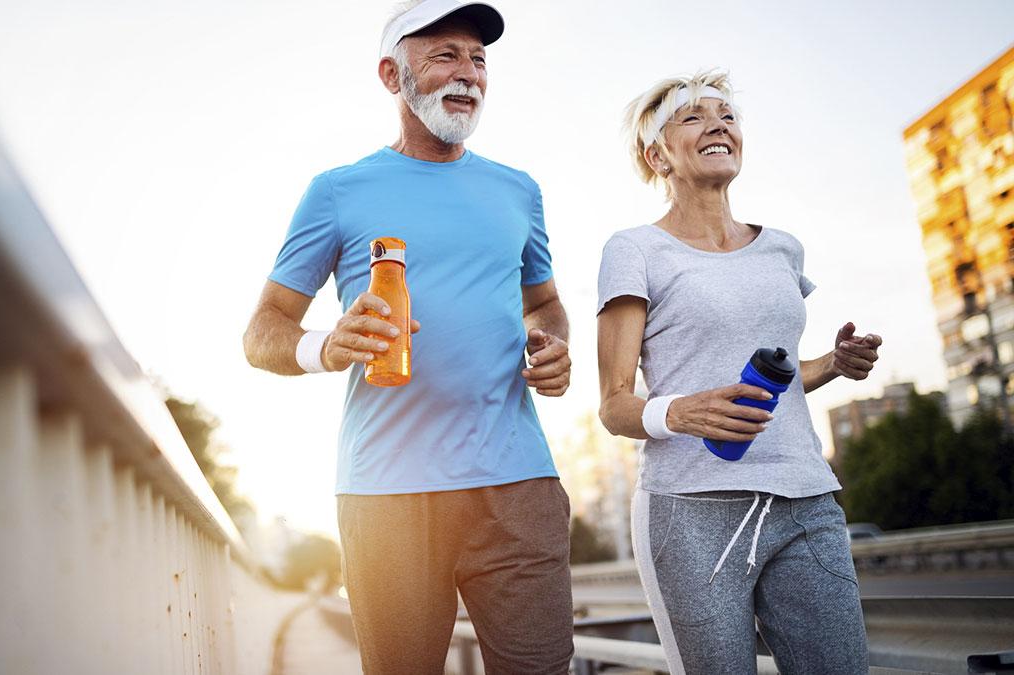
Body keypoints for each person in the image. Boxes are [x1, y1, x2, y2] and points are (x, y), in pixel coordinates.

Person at [242, 1, 574, 672]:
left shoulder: (519, 190)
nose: (468, 72)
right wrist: (326, 346)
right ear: (393, 75)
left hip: (518, 483)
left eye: (479, 59)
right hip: (387, 489)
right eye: (445, 55)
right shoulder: (337, 191)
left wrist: (551, 345)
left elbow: (545, 304)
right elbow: (262, 331)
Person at [596, 70, 883, 674]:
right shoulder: (635, 250)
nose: (718, 124)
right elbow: (615, 404)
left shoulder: (783, 248)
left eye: (726, 115)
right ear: (658, 154)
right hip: (692, 507)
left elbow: (772, 378)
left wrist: (833, 364)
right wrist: (679, 411)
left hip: (805, 497)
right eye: (693, 116)